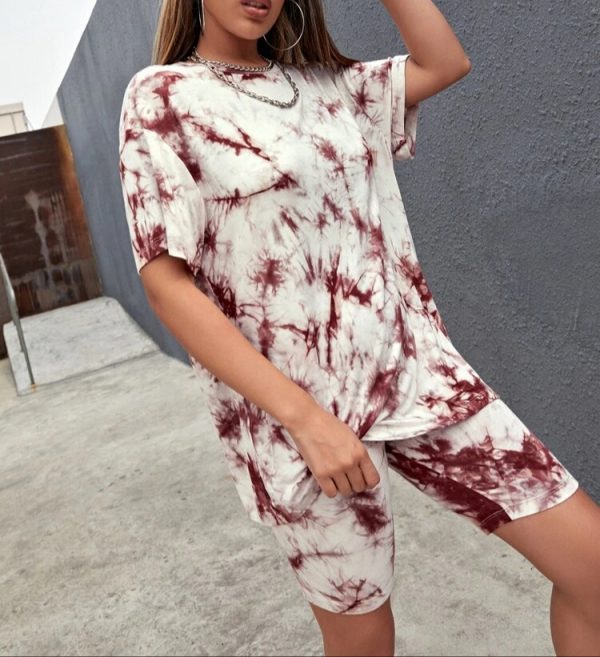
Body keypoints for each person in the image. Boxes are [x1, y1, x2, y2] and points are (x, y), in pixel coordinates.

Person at [117, 0, 600, 655]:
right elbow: (167, 283)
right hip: (300, 419)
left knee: (591, 567)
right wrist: (305, 420)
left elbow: (445, 62)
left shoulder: (331, 86)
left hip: (417, 376)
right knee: (365, 640)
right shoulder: (163, 97)